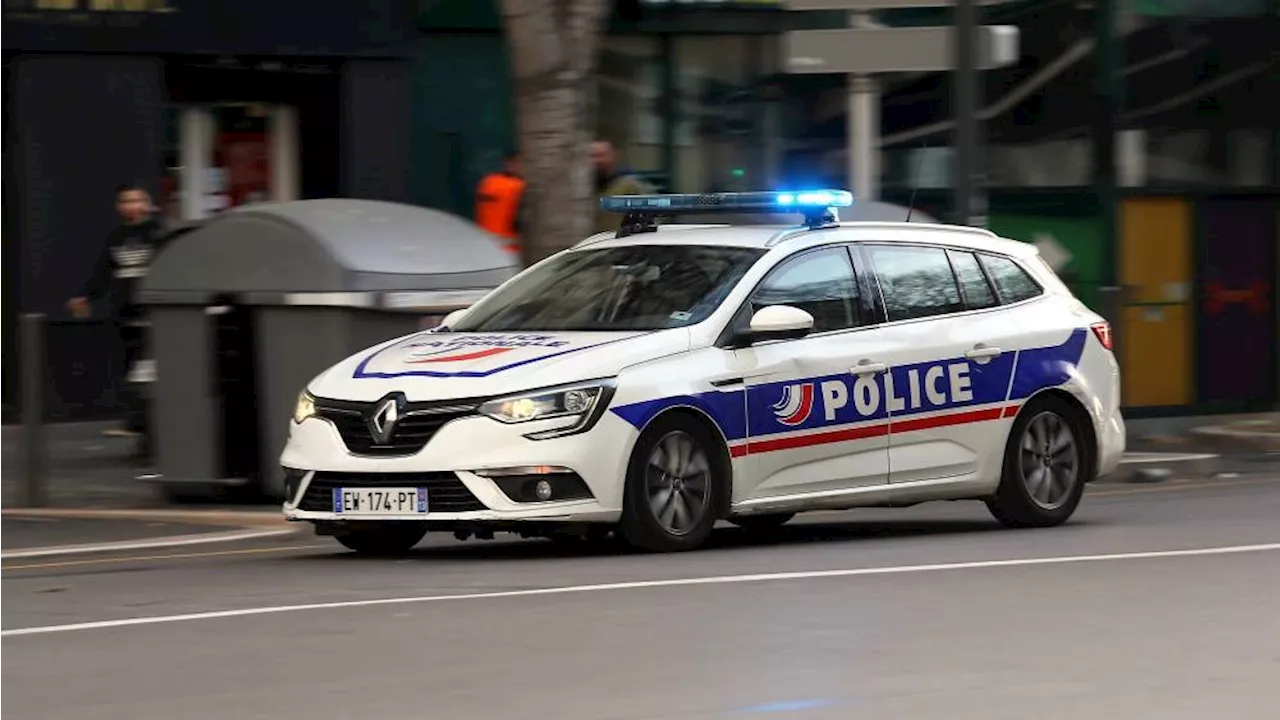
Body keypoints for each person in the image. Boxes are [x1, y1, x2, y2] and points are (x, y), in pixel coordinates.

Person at [66, 182, 168, 441]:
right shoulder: (116, 237)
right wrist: (85, 296)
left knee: (151, 368)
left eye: (136, 200)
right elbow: (103, 271)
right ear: (118, 206)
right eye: (125, 201)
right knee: (130, 368)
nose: (131, 206)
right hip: (125, 310)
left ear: (148, 204)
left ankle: (148, 422)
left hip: (153, 310)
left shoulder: (158, 233)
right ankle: (138, 421)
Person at [591, 140, 655, 235]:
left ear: (614, 156)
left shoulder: (630, 185)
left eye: (602, 155)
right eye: (593, 156)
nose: (597, 160)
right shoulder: (584, 187)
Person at [474, 149, 527, 261]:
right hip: (511, 250)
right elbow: (521, 221)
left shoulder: (488, 182)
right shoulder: (519, 187)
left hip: (486, 246)